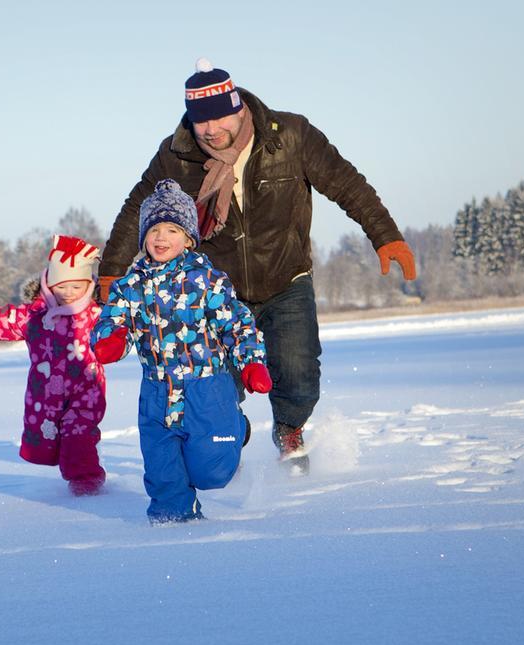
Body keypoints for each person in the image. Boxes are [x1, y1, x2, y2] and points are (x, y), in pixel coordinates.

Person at [98, 58, 417, 474]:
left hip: (286, 278)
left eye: (219, 119)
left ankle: (289, 428)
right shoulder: (176, 156)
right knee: (215, 387)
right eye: (201, 123)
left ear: (239, 106)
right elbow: (137, 208)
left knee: (299, 375)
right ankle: (228, 429)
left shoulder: (291, 136)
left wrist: (385, 234)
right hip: (216, 290)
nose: (211, 130)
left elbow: (345, 182)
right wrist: (113, 268)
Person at [91, 179, 272, 523]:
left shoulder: (208, 281)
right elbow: (113, 319)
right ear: (144, 236)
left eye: (172, 229)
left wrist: (251, 364)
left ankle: (234, 425)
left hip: (207, 391)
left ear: (188, 238)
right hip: (157, 393)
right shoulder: (130, 287)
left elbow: (237, 325)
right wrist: (111, 338)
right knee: (163, 469)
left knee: (211, 472)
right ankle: (173, 521)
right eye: (154, 229)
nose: (161, 237)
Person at [0, 235, 108, 496]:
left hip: (86, 391)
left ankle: (86, 484)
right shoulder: (36, 315)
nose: (67, 294)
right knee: (47, 439)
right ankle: (75, 473)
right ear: (48, 284)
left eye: (75, 287)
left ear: (88, 284)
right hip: (46, 393)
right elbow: (4, 321)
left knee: (79, 434)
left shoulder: (97, 314)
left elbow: (121, 332)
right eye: (60, 287)